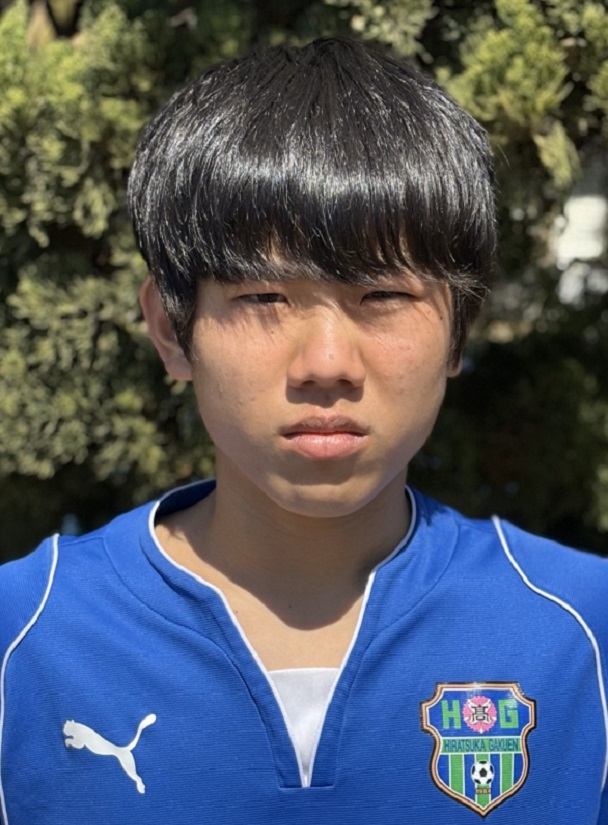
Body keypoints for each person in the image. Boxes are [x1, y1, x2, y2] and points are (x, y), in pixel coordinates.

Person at [0, 37, 607, 825]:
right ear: (172, 330)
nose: (326, 364)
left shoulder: (581, 632)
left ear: (460, 328)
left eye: (382, 295)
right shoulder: (27, 637)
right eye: (264, 298)